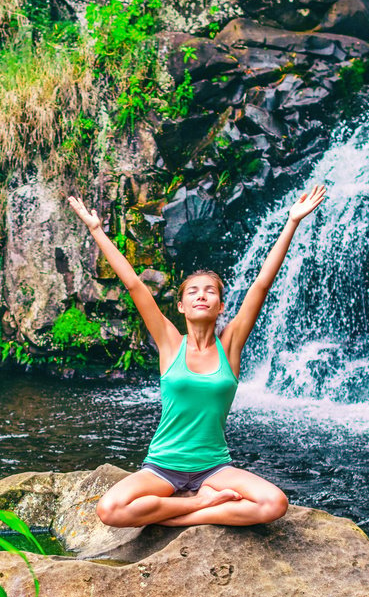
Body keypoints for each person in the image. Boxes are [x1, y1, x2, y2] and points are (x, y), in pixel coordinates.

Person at [66, 184, 327, 528]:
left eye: (210, 292)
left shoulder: (230, 345)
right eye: (193, 291)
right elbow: (133, 284)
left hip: (214, 469)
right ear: (181, 305)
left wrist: (292, 222)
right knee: (110, 510)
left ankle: (183, 512)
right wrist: (96, 230)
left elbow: (262, 284)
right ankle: (201, 506)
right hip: (161, 467)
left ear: (220, 306)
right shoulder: (170, 342)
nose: (201, 296)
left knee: (274, 503)